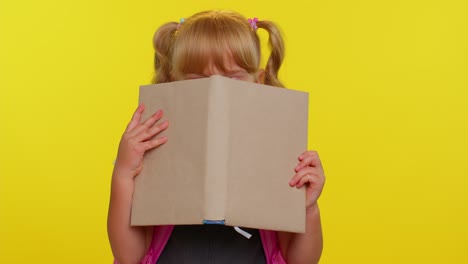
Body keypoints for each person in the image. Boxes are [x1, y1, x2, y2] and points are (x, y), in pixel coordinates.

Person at [108, 10, 325, 264]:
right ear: (172, 82)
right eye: (199, 80)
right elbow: (127, 256)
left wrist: (308, 209)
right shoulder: (149, 149)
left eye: (233, 78)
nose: (216, 93)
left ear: (259, 82)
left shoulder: (279, 153)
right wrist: (123, 174)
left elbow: (302, 260)